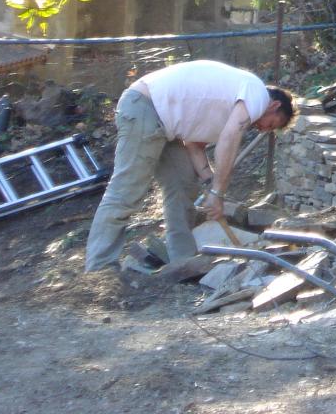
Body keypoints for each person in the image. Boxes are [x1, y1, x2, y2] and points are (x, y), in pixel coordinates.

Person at [84, 59, 294, 272]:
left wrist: (209, 183)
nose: (262, 130)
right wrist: (217, 194)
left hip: (166, 124)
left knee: (183, 187)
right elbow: (229, 139)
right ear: (274, 106)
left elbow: (194, 145)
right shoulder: (258, 95)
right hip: (145, 107)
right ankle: (99, 267)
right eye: (271, 125)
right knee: (126, 191)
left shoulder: (233, 104)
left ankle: (183, 264)